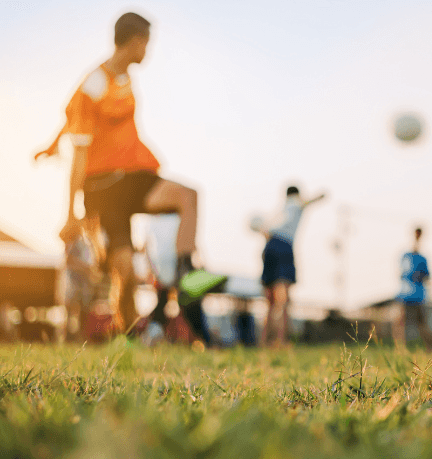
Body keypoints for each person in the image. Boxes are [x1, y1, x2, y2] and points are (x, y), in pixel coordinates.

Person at [35, 12, 222, 335]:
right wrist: (70, 215)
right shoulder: (94, 85)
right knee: (124, 271)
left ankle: (187, 276)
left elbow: (70, 116)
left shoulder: (123, 78)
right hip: (103, 188)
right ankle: (131, 335)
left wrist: (52, 144)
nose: (147, 52)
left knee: (188, 196)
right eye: (146, 45)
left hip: (133, 176)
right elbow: (78, 151)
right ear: (135, 42)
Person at [250, 186, 326, 348]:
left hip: (269, 247)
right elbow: (307, 201)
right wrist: (319, 196)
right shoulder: (296, 203)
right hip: (283, 247)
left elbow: (260, 227)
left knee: (269, 300)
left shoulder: (280, 210)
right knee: (284, 299)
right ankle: (281, 340)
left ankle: (264, 341)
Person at [394, 227, 432, 351]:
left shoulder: (423, 259)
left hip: (418, 296)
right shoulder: (405, 256)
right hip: (405, 295)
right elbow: (401, 273)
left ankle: (429, 349)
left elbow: (427, 276)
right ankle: (401, 349)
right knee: (400, 324)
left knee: (422, 324)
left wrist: (420, 276)